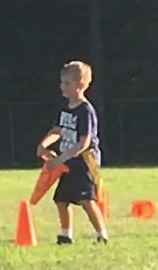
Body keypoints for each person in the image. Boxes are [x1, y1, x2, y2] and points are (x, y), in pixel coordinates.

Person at [36, 60, 108, 245]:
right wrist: (43, 145)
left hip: (83, 162)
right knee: (61, 199)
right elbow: (57, 131)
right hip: (68, 162)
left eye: (67, 83)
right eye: (62, 82)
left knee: (86, 200)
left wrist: (60, 158)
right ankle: (65, 235)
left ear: (81, 85)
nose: (62, 87)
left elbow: (84, 142)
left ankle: (102, 235)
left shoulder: (85, 111)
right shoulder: (64, 108)